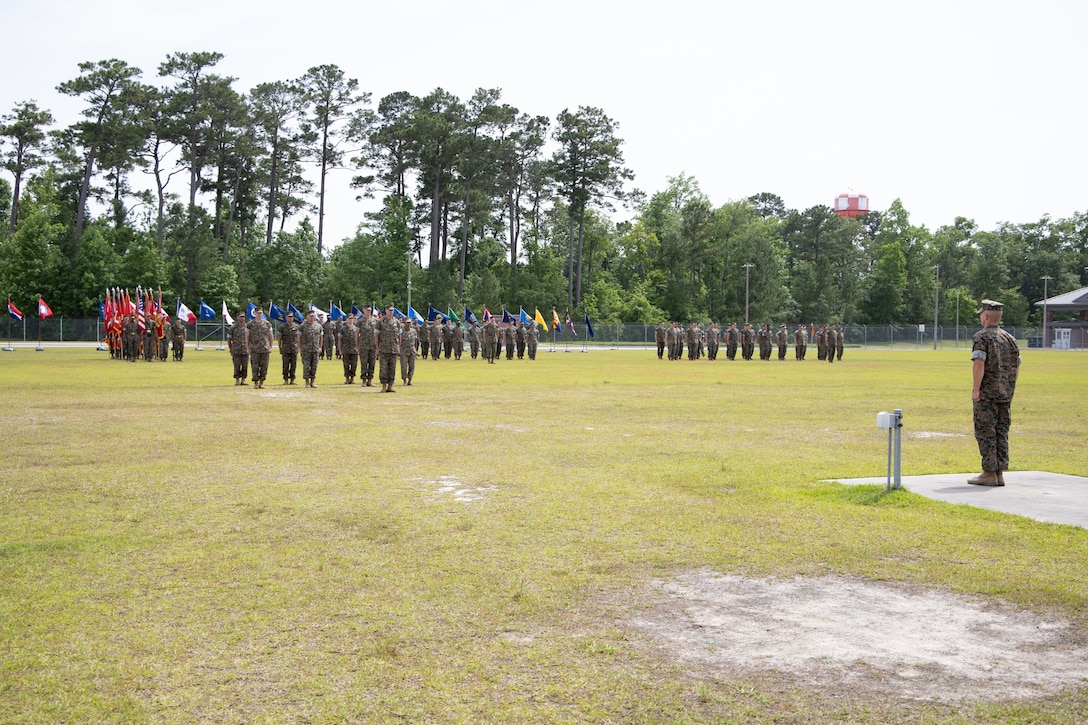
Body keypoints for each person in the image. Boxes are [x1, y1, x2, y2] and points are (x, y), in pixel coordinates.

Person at [969, 299, 1021, 486]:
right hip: (1005, 394)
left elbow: (979, 363)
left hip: (987, 394)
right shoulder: (1009, 338)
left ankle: (989, 472)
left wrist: (976, 389)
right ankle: (999, 472)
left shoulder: (981, 337)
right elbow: (1017, 365)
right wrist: (1009, 387)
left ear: (985, 316)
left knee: (985, 431)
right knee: (1001, 431)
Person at [246, 306, 273, 389]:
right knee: (255, 366)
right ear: (254, 314)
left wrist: (270, 346)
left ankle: (262, 382)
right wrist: (247, 347)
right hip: (254, 348)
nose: (259, 315)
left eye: (261, 313)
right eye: (258, 313)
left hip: (265, 348)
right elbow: (247, 336)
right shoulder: (250, 324)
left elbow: (270, 336)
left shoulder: (267, 324)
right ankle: (255, 383)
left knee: (264, 366)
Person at [376, 304, 401, 393]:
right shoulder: (380, 321)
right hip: (383, 348)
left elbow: (399, 335)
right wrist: (377, 347)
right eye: (389, 310)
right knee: (383, 368)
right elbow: (376, 335)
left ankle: (390, 386)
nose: (391, 312)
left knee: (392, 368)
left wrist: (399, 347)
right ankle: (383, 386)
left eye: (392, 310)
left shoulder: (396, 322)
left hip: (393, 349)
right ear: (386, 311)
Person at [299, 309, 323, 388]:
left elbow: (321, 337)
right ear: (307, 316)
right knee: (306, 366)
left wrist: (320, 347)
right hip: (306, 349)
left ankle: (312, 382)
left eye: (313, 316)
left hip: (315, 349)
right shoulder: (302, 326)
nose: (312, 318)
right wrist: (300, 348)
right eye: (311, 316)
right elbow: (298, 337)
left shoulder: (318, 326)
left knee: (314, 366)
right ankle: (306, 382)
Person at [227, 311, 249, 385]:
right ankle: (237, 379)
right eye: (240, 317)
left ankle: (243, 379)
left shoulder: (248, 327)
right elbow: (229, 339)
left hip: (245, 349)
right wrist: (230, 348)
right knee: (237, 365)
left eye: (243, 317)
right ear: (237, 318)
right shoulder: (233, 328)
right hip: (236, 349)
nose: (242, 318)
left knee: (245, 365)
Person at [278, 313, 299, 384]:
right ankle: (286, 379)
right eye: (289, 317)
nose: (290, 318)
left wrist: (299, 347)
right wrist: (279, 347)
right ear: (286, 317)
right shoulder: (282, 327)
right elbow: (279, 338)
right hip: (285, 348)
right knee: (285, 365)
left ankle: (292, 380)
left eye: (292, 317)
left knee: (293, 365)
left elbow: (298, 337)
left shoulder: (296, 327)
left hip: (294, 348)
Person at [339, 312, 359, 384]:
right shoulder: (343, 329)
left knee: (354, 364)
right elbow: (340, 340)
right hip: (346, 349)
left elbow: (359, 339)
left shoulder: (356, 328)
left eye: (352, 318)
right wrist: (340, 349)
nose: (351, 320)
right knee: (346, 365)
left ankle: (352, 378)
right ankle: (347, 378)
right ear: (347, 319)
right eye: (349, 318)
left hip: (354, 349)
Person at [400, 319, 418, 385]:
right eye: (407, 322)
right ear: (404, 323)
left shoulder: (413, 331)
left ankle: (410, 380)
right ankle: (404, 380)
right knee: (404, 366)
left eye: (410, 322)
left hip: (412, 350)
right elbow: (399, 340)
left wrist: (415, 349)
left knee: (412, 366)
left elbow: (415, 341)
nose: (409, 324)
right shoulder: (401, 331)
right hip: (404, 350)